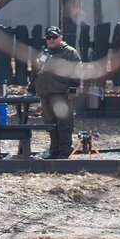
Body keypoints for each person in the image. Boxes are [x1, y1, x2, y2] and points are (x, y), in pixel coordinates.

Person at [29, 25, 81, 159]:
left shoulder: (69, 52)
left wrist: (74, 88)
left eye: (54, 37)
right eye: (48, 37)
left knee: (64, 122)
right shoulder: (44, 53)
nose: (51, 39)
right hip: (45, 93)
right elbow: (36, 71)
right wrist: (32, 87)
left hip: (61, 93)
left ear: (60, 38)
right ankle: (54, 150)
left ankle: (65, 151)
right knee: (50, 123)